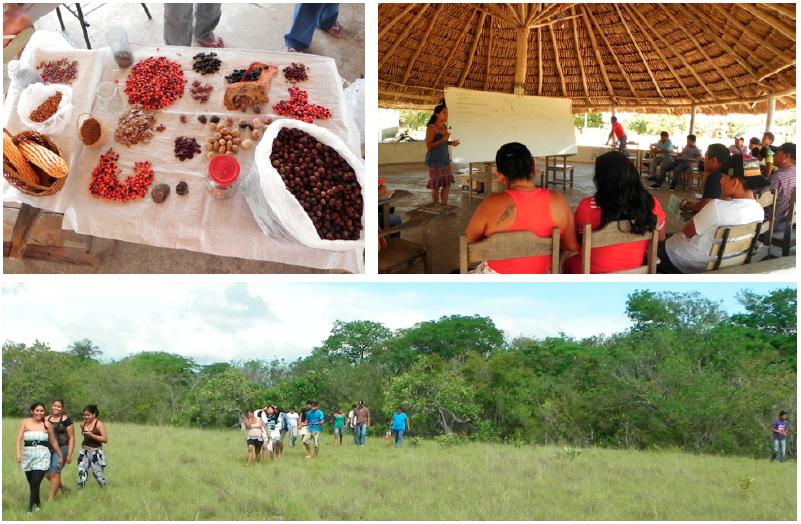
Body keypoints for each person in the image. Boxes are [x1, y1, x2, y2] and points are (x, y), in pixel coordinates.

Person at [464, 142, 578, 273]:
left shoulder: (490, 204)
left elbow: (468, 246)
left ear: (500, 176)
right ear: (533, 168)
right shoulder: (558, 201)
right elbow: (571, 246)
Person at [658, 154, 768, 273]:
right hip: (725, 262)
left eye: (723, 177)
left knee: (652, 243)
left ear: (735, 182)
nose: (720, 181)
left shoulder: (717, 207)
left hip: (688, 261)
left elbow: (687, 232)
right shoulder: (759, 211)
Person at [565, 151, 665, 274]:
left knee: (564, 257)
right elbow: (660, 236)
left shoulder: (587, 206)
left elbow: (579, 240)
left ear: (600, 178)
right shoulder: (651, 204)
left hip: (590, 273)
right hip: (633, 271)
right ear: (632, 173)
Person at [15, 402, 62, 513]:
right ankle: (38, 505)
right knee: (32, 483)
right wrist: (18, 453)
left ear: (44, 412)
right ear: (32, 411)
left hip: (42, 456)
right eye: (37, 410)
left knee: (35, 482)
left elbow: (53, 441)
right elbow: (18, 439)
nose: (39, 413)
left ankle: (30, 509)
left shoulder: (47, 424)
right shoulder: (25, 423)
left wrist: (60, 454)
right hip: (28, 455)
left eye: (42, 411)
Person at [424, 100, 460, 204]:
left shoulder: (444, 126)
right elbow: (429, 146)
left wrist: (450, 143)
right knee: (436, 186)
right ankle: (436, 206)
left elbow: (443, 142)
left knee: (447, 185)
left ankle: (444, 205)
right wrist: (443, 140)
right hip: (435, 161)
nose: (446, 115)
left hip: (445, 160)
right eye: (444, 112)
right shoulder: (431, 128)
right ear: (437, 114)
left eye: (447, 113)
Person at [678, 144, 730, 214]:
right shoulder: (724, 174)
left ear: (714, 160)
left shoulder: (715, 177)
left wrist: (686, 205)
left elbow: (705, 207)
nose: (703, 161)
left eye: (705, 158)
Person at [44, 399, 74, 501]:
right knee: (46, 474)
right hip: (49, 449)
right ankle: (64, 489)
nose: (56, 408)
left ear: (62, 408)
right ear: (51, 406)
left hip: (62, 448)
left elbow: (71, 438)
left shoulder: (66, 420)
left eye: (59, 406)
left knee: (54, 472)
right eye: (55, 405)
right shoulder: (46, 419)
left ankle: (50, 500)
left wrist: (70, 453)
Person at [764, 143, 796, 236]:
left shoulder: (779, 176)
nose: (773, 155)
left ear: (786, 156)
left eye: (777, 153)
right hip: (786, 222)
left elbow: (760, 201)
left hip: (771, 224)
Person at [77, 405, 108, 489]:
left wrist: (92, 435)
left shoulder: (99, 424)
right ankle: (80, 492)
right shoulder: (83, 423)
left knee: (97, 474)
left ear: (94, 414)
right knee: (81, 472)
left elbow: (105, 439)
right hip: (84, 451)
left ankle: (105, 489)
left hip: (95, 452)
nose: (85, 417)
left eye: (88, 415)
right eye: (84, 415)